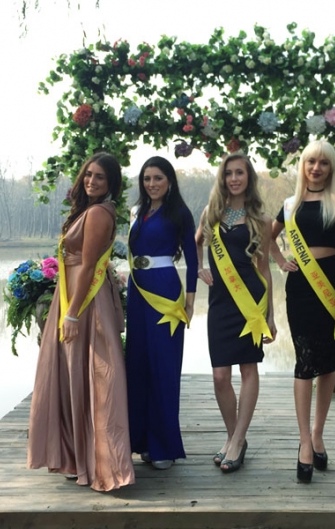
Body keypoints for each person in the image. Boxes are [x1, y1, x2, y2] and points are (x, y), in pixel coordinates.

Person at [27, 152, 135, 492]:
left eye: (100, 177)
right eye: (88, 174)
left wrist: (72, 313)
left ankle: (100, 462)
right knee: (75, 374)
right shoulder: (89, 210)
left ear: (111, 182)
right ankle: (77, 457)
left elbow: (88, 266)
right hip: (72, 294)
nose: (91, 181)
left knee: (93, 375)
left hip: (86, 302)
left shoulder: (100, 213)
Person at [269, 140, 335, 484]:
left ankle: (318, 433)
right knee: (304, 361)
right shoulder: (290, 205)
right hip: (300, 288)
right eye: (310, 162)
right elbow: (268, 237)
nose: (316, 168)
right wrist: (280, 260)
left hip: (331, 285)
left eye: (323, 163)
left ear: (331, 168)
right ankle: (304, 441)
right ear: (302, 166)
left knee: (328, 362)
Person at [195, 152, 277, 474]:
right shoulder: (211, 213)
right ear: (222, 177)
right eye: (228, 173)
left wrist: (270, 316)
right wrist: (199, 268)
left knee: (248, 368)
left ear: (249, 177)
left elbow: (265, 270)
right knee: (220, 376)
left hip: (250, 303)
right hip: (219, 302)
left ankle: (237, 439)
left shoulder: (261, 219)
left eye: (239, 173)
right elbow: (195, 243)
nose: (234, 178)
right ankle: (234, 437)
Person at [126, 156, 198, 470]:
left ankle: (164, 446)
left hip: (165, 291)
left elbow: (193, 261)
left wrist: (190, 301)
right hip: (137, 291)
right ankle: (140, 441)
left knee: (163, 367)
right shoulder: (136, 211)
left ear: (169, 181)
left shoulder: (179, 212)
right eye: (147, 178)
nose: (152, 184)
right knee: (137, 365)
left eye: (158, 178)